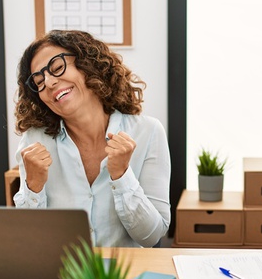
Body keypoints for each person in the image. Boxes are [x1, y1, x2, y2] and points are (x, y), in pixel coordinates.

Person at [13, 30, 170, 248]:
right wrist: (34, 186)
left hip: (125, 277)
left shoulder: (149, 132)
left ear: (88, 65)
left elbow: (151, 236)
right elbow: (28, 242)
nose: (48, 82)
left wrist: (122, 176)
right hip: (64, 277)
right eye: (38, 82)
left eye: (57, 68)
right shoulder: (34, 141)